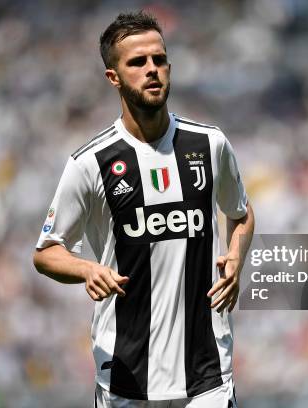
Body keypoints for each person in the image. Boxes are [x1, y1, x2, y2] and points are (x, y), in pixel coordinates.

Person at [33, 11, 254, 407]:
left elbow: (240, 213)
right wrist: (88, 268)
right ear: (113, 77)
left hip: (207, 374)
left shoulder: (210, 144)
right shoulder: (90, 163)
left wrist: (236, 257)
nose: (152, 70)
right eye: (138, 62)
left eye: (159, 59)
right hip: (124, 377)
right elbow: (46, 252)